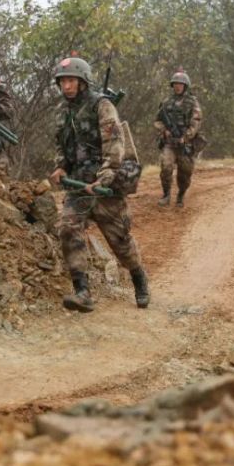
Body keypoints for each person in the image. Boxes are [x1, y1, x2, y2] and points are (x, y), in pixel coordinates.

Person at [48, 56, 150, 313]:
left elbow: (115, 144)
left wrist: (105, 176)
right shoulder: (62, 112)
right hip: (78, 185)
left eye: (71, 80)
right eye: (63, 82)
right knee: (69, 229)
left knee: (119, 241)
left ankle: (139, 278)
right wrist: (60, 167)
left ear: (83, 82)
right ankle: (82, 291)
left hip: (104, 185)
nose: (67, 86)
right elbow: (61, 145)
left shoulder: (101, 106)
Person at [153, 69, 203, 207]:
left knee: (185, 172)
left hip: (185, 144)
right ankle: (166, 195)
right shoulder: (166, 102)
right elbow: (157, 120)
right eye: (175, 84)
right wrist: (164, 130)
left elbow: (196, 121)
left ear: (185, 86)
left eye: (180, 84)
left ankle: (180, 195)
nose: (177, 86)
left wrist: (186, 137)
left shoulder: (192, 102)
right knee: (166, 167)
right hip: (169, 143)